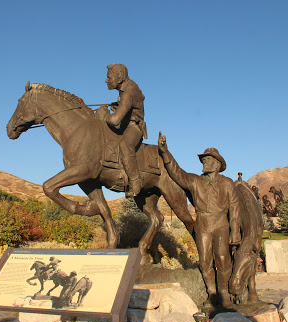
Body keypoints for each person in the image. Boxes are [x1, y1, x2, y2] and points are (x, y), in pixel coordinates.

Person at [158, 132, 241, 307]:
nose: (204, 162)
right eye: (203, 160)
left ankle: (224, 294)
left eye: (208, 159)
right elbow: (177, 172)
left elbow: (234, 209)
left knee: (222, 258)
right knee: (204, 260)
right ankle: (212, 294)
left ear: (217, 164)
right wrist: (165, 152)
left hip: (221, 224)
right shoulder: (195, 181)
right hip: (202, 224)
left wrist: (235, 232)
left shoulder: (227, 183)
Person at [96, 63, 147, 197]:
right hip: (125, 124)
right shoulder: (125, 88)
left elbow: (114, 120)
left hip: (134, 127)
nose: (106, 80)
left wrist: (104, 116)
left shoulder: (129, 92)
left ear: (119, 79)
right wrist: (118, 106)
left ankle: (135, 182)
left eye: (109, 77)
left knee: (125, 145)